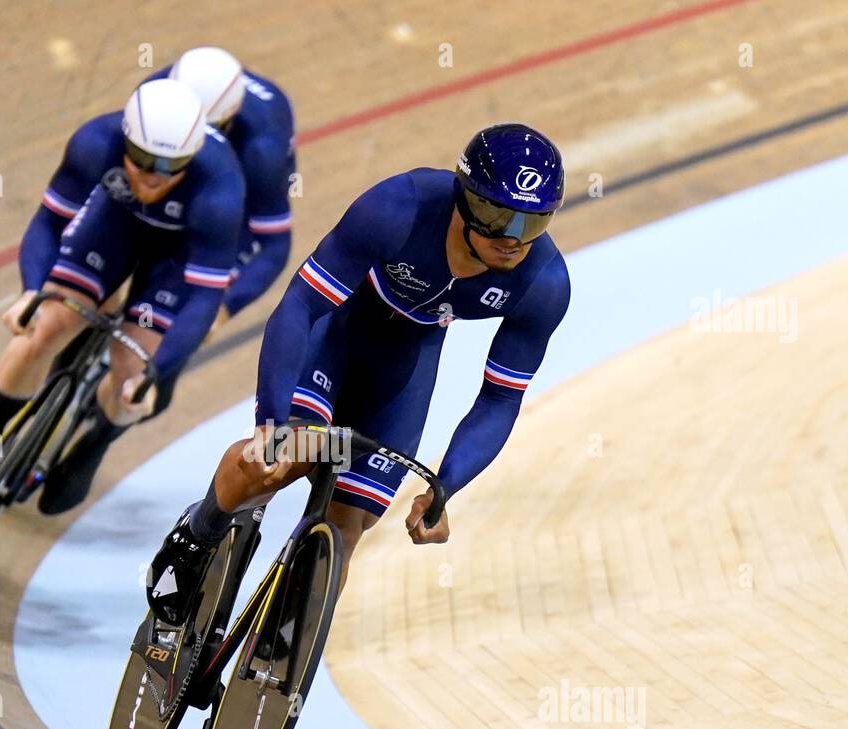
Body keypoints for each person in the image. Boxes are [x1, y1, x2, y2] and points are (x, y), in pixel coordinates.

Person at [144, 123, 573, 625]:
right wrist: (271, 420)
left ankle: (277, 658)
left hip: (403, 367)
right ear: (465, 199)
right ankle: (197, 533)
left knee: (349, 522)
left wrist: (445, 488)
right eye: (500, 218)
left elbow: (499, 400)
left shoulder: (543, 284)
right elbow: (301, 305)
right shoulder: (399, 208)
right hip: (337, 335)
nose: (513, 240)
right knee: (288, 458)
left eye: (534, 223)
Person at [0, 78, 246, 515]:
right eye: (141, 160)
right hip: (115, 226)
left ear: (191, 158)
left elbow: (204, 297)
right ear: (125, 139)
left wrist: (155, 372)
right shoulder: (95, 142)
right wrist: (31, 292)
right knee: (44, 326)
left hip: (174, 261)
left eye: (169, 166)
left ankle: (95, 441)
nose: (152, 175)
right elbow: (48, 223)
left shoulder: (220, 190)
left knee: (130, 375)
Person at [147, 47, 297, 330]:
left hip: (243, 197)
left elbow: (274, 245)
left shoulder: (262, 151)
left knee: (177, 320)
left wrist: (224, 308)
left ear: (228, 117)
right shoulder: (154, 95)